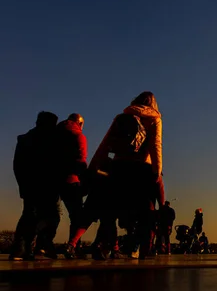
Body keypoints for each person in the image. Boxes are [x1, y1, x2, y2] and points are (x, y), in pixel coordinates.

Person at [89, 91, 163, 259]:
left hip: (119, 166)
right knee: (143, 211)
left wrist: (93, 165)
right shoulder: (154, 118)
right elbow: (155, 145)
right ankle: (141, 249)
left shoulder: (123, 116)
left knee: (112, 209)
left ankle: (103, 245)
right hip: (141, 169)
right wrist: (157, 171)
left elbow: (106, 142)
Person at [10, 112, 60, 260]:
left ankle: (22, 248)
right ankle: (35, 246)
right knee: (49, 217)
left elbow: (17, 165)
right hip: (46, 185)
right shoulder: (52, 140)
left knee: (30, 214)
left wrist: (23, 184)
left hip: (30, 184)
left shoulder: (26, 139)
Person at [49, 114, 89, 259]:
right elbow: (81, 161)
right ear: (80, 123)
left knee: (49, 214)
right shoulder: (78, 136)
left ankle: (40, 246)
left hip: (51, 180)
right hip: (71, 180)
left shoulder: (53, 135)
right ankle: (74, 247)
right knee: (77, 216)